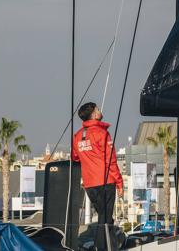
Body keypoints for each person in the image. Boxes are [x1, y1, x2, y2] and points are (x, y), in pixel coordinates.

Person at [72, 102, 123, 251]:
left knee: (104, 217)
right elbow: (111, 161)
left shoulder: (77, 136)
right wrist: (119, 183)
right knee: (105, 219)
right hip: (105, 182)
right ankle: (102, 247)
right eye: (98, 109)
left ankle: (107, 244)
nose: (101, 111)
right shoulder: (102, 133)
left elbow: (75, 157)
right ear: (94, 114)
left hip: (89, 184)